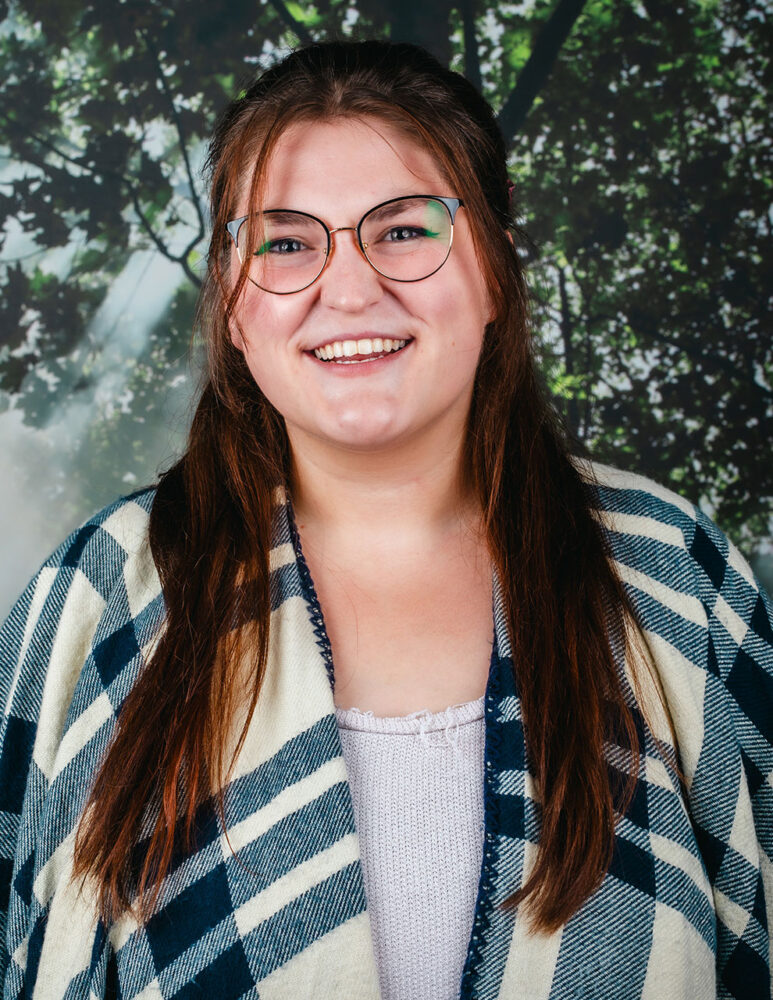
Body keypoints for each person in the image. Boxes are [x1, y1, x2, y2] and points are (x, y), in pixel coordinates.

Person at [0, 39, 770, 1000]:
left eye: (403, 229)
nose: (350, 287)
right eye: (286, 241)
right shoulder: (94, 596)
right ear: (234, 310)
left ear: (494, 268)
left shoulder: (675, 576)